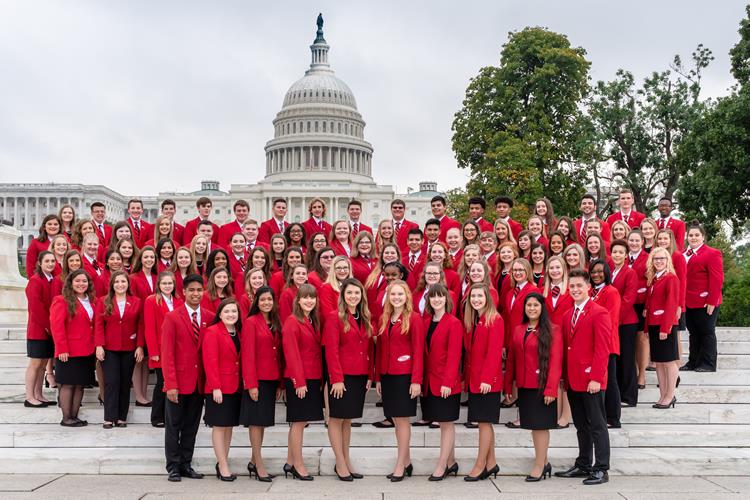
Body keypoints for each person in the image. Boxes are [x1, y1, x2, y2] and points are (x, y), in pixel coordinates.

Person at [554, 269, 611, 485]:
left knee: (597, 425)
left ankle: (601, 468)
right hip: (573, 380)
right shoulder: (568, 314)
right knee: (581, 425)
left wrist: (596, 377)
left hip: (592, 381)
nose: (575, 290)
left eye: (579, 286)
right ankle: (584, 463)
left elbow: (602, 348)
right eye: (572, 287)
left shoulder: (599, 312)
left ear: (588, 287)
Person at [504, 293, 562, 481]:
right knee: (533, 426)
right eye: (528, 305)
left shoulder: (553, 329)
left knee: (540, 427)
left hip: (542, 386)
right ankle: (543, 462)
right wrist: (508, 387)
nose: (531, 308)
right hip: (524, 385)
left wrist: (551, 389)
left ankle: (539, 465)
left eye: (535, 305)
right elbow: (512, 360)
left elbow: (555, 362)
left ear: (542, 307)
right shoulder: (518, 329)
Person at [161, 274, 210, 482]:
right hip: (178, 383)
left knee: (191, 426)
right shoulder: (173, 317)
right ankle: (172, 466)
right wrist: (171, 383)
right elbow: (167, 353)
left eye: (199, 290)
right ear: (183, 292)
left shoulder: (209, 316)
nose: (196, 294)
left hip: (199, 383)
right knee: (174, 426)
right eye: (192, 290)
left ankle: (185, 464)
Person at [323, 278, 373, 481]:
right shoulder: (335, 317)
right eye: (349, 293)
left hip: (358, 375)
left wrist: (369, 375)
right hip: (341, 376)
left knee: (348, 420)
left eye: (357, 293)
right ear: (343, 296)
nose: (353, 296)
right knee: (336, 418)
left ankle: (346, 459)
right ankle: (340, 463)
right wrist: (336, 378)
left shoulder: (365, 317)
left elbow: (369, 348)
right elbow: (331, 351)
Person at [374, 280, 423, 481]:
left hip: (405, 376)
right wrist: (378, 377)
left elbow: (419, 351)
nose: (396, 298)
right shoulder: (384, 318)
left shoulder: (414, 318)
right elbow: (380, 350)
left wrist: (416, 380)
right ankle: (407, 461)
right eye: (393, 294)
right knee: (395, 419)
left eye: (400, 295)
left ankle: (400, 465)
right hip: (387, 375)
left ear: (407, 297)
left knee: (402, 420)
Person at [282, 284, 324, 481]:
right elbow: (291, 354)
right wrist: (299, 381)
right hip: (300, 379)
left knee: (301, 421)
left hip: (313, 377)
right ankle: (298, 465)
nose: (309, 301)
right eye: (305, 297)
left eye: (312, 298)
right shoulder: (292, 322)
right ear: (298, 300)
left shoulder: (312, 320)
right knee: (298, 422)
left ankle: (290, 461)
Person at [240, 286, 283, 481]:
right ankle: (259, 465)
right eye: (263, 299)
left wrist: (280, 383)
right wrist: (251, 384)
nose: (266, 302)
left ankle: (253, 461)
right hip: (257, 380)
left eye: (269, 299)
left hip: (271, 379)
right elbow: (247, 355)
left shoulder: (275, 322)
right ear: (257, 302)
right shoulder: (250, 322)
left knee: (263, 423)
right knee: (256, 423)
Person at [462, 284, 504, 481]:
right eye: (473, 296)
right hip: (475, 379)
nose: (476, 299)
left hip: (487, 381)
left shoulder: (495, 319)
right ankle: (491, 463)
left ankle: (480, 465)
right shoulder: (474, 319)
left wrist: (487, 379)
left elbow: (494, 353)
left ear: (487, 297)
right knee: (483, 422)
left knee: (484, 422)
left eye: (480, 296)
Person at [422, 284, 462, 481]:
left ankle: (441, 465)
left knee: (445, 423)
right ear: (428, 300)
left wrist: (448, 382)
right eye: (432, 297)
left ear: (447, 299)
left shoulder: (454, 323)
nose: (436, 300)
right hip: (430, 382)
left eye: (440, 296)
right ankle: (451, 461)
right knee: (442, 421)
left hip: (446, 383)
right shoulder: (426, 322)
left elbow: (455, 356)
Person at [94, 271, 144, 428]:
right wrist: (99, 345)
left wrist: (140, 346)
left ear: (128, 284)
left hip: (130, 348)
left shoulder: (136, 301)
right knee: (112, 382)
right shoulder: (104, 301)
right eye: (117, 282)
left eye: (123, 281)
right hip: (109, 348)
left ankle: (122, 417)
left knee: (124, 382)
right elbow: (99, 324)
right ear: (112, 284)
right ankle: (109, 417)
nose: (120, 284)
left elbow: (141, 325)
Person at [50, 269, 97, 427]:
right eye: (77, 281)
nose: (81, 284)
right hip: (68, 351)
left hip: (87, 350)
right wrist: (62, 348)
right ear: (70, 283)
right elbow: (57, 326)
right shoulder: (61, 300)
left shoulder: (91, 301)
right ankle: (66, 417)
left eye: (84, 281)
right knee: (68, 384)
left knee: (80, 384)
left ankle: (75, 416)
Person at [202, 299, 243, 481]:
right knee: (219, 426)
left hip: (235, 386)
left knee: (229, 427)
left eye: (234, 311)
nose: (231, 315)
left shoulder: (239, 332)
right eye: (227, 311)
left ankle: (223, 461)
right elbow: (210, 362)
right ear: (219, 314)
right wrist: (215, 387)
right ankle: (223, 465)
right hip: (219, 388)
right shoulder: (213, 332)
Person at [682, 221, 723, 372]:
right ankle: (693, 362)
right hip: (688, 300)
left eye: (696, 235)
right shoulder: (683, 254)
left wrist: (712, 300)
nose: (693, 238)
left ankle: (708, 363)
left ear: (703, 237)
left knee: (707, 332)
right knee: (694, 333)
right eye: (690, 235)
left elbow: (717, 279)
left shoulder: (712, 253)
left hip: (706, 301)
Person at [144, 271, 182, 427]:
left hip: (176, 349)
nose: (167, 286)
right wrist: (153, 352)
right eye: (164, 283)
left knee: (171, 383)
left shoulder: (179, 301)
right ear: (158, 285)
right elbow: (149, 328)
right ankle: (157, 416)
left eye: (170, 283)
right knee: (162, 383)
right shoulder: (152, 301)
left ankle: (169, 416)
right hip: (160, 350)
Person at [644, 248, 681, 408]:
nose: (658, 261)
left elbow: (671, 304)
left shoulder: (671, 278)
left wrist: (665, 328)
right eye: (655, 259)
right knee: (659, 362)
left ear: (667, 261)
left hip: (665, 325)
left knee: (669, 362)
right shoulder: (654, 279)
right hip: (653, 324)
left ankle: (670, 395)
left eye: (662, 258)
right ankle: (663, 395)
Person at [588, 260, 622, 428]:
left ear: (607, 273)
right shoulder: (590, 292)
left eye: (600, 272)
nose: (596, 274)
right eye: (593, 272)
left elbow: (611, 320)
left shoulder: (611, 292)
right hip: (591, 345)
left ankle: (613, 418)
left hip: (607, 343)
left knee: (611, 381)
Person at [24, 251, 57, 407]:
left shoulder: (51, 279)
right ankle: (29, 396)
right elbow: (36, 308)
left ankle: (39, 394)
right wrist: (48, 326)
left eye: (52, 261)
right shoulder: (35, 281)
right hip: (38, 330)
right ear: (40, 263)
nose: (50, 264)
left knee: (43, 365)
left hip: (48, 330)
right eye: (47, 261)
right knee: (35, 364)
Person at [609, 239, 640, 407]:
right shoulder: (611, 271)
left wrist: (615, 319)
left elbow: (628, 299)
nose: (617, 255)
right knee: (618, 360)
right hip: (613, 323)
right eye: (614, 252)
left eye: (621, 252)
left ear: (626, 255)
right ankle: (620, 394)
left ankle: (629, 397)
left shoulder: (630, 273)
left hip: (625, 321)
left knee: (627, 359)